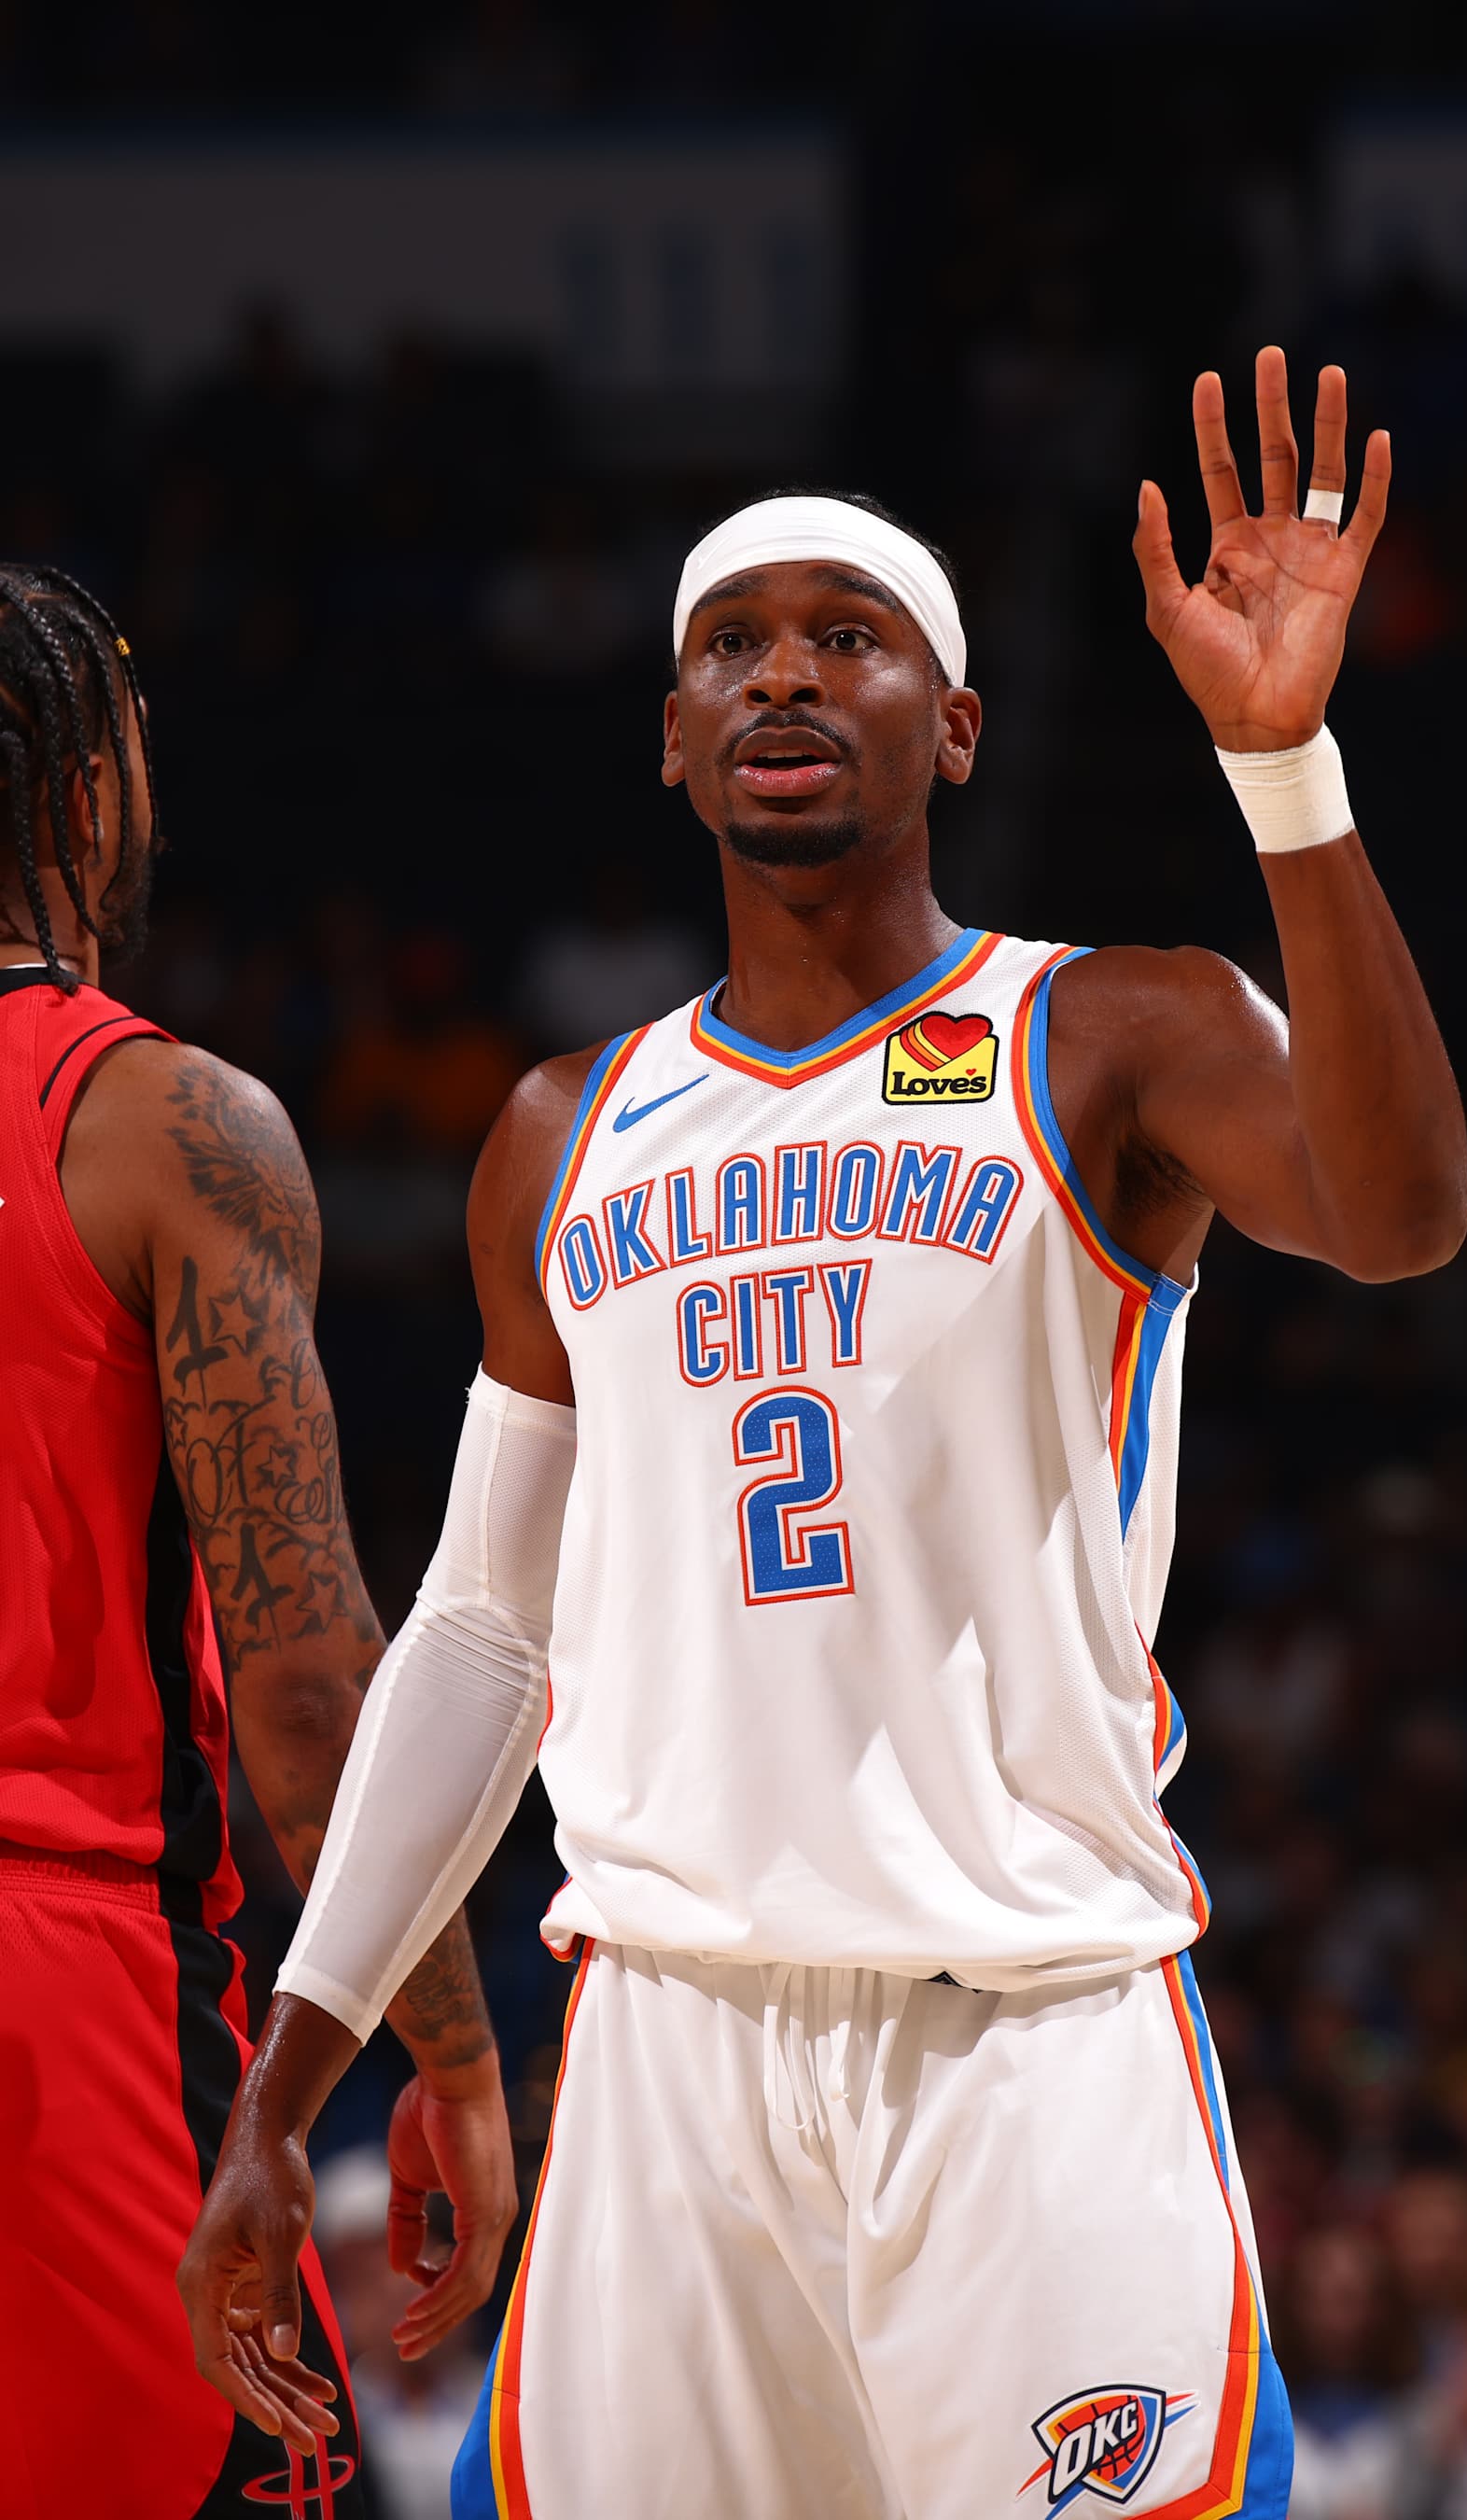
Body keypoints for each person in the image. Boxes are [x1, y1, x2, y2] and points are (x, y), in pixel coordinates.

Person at [180, 348, 1467, 2519]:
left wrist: (1290, 775)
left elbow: (1407, 1215)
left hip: (1026, 2037)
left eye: (848, 640)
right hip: (669, 2052)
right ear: (677, 747)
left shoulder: (1103, 1031)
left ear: (951, 725)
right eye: (733, 650)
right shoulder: (559, 1136)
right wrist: (281, 2088)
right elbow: (484, 1644)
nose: (786, 677)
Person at [0, 566, 518, 2520]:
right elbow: (308, 1689)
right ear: (85, 800)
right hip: (62, 1999)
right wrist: (449, 2061)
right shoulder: (159, 1124)